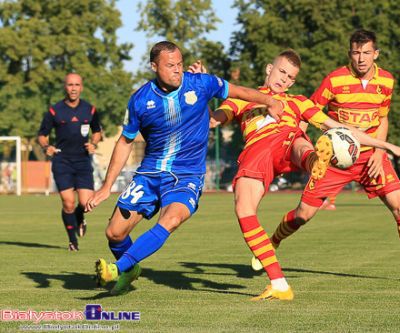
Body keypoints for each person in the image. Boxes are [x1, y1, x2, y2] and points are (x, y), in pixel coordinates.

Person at [210, 49, 400, 300]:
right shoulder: (245, 97)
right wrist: (196, 90)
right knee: (244, 210)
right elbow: (214, 120)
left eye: (290, 77)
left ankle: (315, 161)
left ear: (293, 82)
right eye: (281, 72)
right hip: (258, 152)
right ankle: (279, 285)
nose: (284, 79)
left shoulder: (297, 101)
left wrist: (386, 146)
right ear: (269, 69)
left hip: (287, 140)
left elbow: (341, 128)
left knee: (299, 140)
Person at [85, 41, 288, 296]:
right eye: (170, 65)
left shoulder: (201, 83)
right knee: (114, 233)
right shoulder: (140, 99)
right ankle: (131, 270)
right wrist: (106, 186)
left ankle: (117, 269)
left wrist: (269, 101)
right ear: (154, 66)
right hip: (150, 173)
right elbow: (125, 141)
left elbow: (238, 91)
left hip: (187, 175)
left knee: (171, 218)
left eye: (180, 64)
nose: (177, 70)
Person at [252, 30, 400, 285]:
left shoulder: (387, 81)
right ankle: (274, 241)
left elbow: (382, 118)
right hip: (335, 160)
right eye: (356, 52)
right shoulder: (334, 80)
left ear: (376, 54)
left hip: (372, 157)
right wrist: (295, 148)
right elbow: (308, 114)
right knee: (303, 215)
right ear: (350, 53)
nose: (361, 58)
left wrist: (380, 151)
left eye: (366, 53)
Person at [37, 73, 102, 251]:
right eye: (70, 85)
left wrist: (94, 143)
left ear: (81, 87)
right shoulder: (54, 110)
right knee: (68, 202)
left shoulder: (90, 110)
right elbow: (42, 135)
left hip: (82, 160)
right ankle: (72, 240)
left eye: (77, 85)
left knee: (85, 202)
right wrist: (46, 147)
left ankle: (80, 218)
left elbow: (97, 131)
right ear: (65, 87)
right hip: (62, 160)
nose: (73, 88)